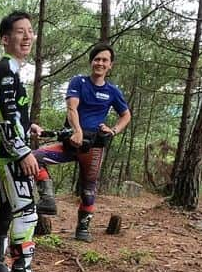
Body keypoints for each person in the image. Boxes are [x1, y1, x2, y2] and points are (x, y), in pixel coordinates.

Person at [0, 11, 57, 272]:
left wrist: (29, 126)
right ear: (5, 38)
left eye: (30, 31)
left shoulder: (10, 70)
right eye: (19, 31)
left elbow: (9, 113)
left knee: (4, 209)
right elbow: (4, 116)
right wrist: (23, 151)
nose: (27, 36)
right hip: (10, 153)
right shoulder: (6, 70)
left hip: (3, 151)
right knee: (27, 211)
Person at [32, 42, 131, 242]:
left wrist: (113, 131)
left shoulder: (112, 91)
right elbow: (72, 108)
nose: (100, 63)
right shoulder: (79, 82)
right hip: (71, 142)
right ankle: (48, 199)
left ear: (110, 65)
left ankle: (83, 228)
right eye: (97, 59)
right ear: (91, 62)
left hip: (93, 148)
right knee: (35, 157)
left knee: (88, 189)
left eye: (105, 60)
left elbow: (126, 115)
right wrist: (77, 131)